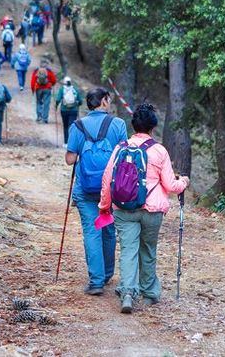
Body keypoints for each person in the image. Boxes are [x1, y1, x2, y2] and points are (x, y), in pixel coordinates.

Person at [99, 103, 189, 314]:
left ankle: (128, 292)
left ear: (134, 125)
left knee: (128, 251)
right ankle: (149, 293)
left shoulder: (121, 148)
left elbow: (107, 179)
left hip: (124, 209)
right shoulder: (159, 151)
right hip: (152, 210)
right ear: (152, 127)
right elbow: (170, 185)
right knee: (148, 250)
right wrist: (184, 181)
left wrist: (104, 206)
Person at [65, 88, 128, 295]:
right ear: (103, 101)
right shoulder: (117, 124)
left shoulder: (78, 125)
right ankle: (108, 273)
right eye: (108, 99)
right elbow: (124, 157)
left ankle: (96, 281)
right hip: (110, 190)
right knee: (108, 230)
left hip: (85, 189)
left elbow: (70, 160)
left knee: (92, 232)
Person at [55, 76, 83, 147]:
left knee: (65, 126)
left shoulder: (62, 89)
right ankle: (72, 143)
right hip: (74, 110)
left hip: (64, 110)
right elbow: (80, 101)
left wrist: (56, 106)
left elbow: (58, 99)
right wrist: (78, 104)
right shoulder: (74, 89)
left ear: (64, 82)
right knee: (72, 126)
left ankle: (66, 142)